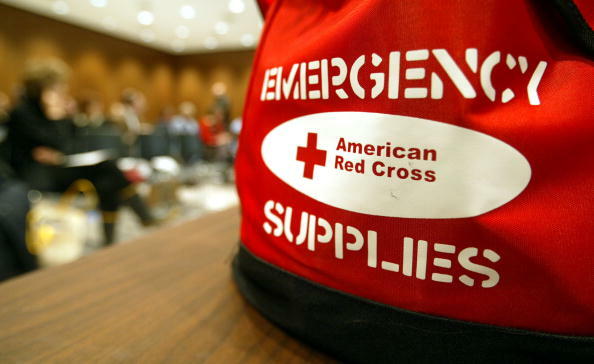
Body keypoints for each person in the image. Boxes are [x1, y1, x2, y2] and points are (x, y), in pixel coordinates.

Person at [5, 58, 155, 245]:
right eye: (58, 87)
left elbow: (69, 143)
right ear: (43, 86)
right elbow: (53, 142)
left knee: (107, 180)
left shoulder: (48, 111)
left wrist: (63, 118)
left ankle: (111, 238)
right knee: (108, 168)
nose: (62, 91)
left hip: (56, 167)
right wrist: (56, 116)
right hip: (35, 174)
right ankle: (143, 216)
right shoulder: (22, 112)